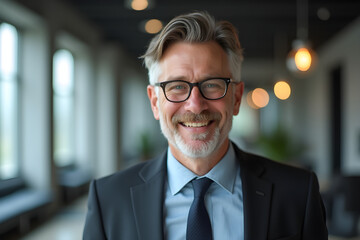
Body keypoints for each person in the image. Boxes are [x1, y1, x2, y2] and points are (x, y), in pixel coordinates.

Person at [83, 11, 328, 240]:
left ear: (236, 97)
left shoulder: (298, 194)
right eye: (177, 86)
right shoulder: (109, 200)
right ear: (155, 102)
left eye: (212, 84)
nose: (195, 105)